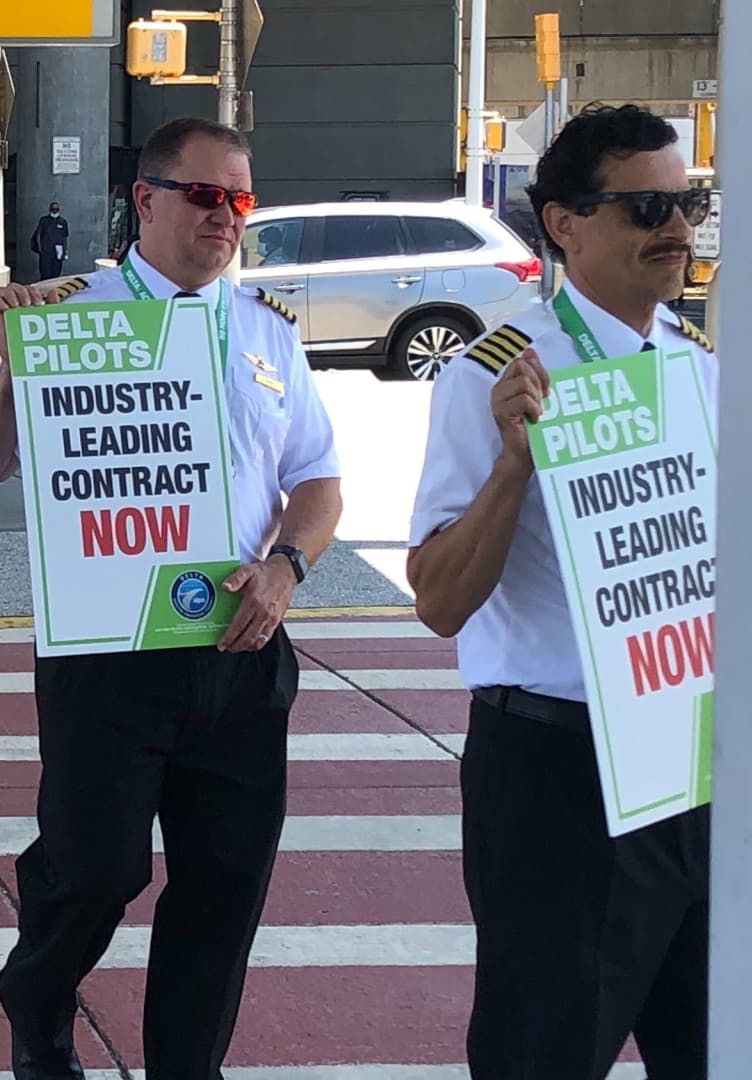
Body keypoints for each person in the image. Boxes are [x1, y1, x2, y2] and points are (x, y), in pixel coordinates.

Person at [0, 116, 343, 1080]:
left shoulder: (264, 332)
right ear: (147, 200)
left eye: (242, 200)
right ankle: (36, 994)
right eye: (208, 196)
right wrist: (14, 360)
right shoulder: (70, 310)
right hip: (108, 655)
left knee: (223, 888)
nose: (226, 217)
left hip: (241, 652)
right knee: (95, 872)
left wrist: (288, 567)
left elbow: (321, 482)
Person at [408, 104, 713, 1080]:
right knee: (544, 1051)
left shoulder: (703, 371)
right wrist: (513, 467)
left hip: (694, 762)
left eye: (689, 202)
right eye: (645, 207)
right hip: (559, 773)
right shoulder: (498, 374)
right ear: (565, 223)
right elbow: (440, 601)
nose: (676, 228)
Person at [30, 200, 69, 281]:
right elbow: (38, 235)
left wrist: (64, 251)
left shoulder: (62, 221)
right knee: (45, 275)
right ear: (49, 209)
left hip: (58, 253)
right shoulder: (44, 220)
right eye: (53, 209)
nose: (55, 211)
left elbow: (64, 237)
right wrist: (40, 250)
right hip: (46, 252)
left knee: (55, 275)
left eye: (56, 209)